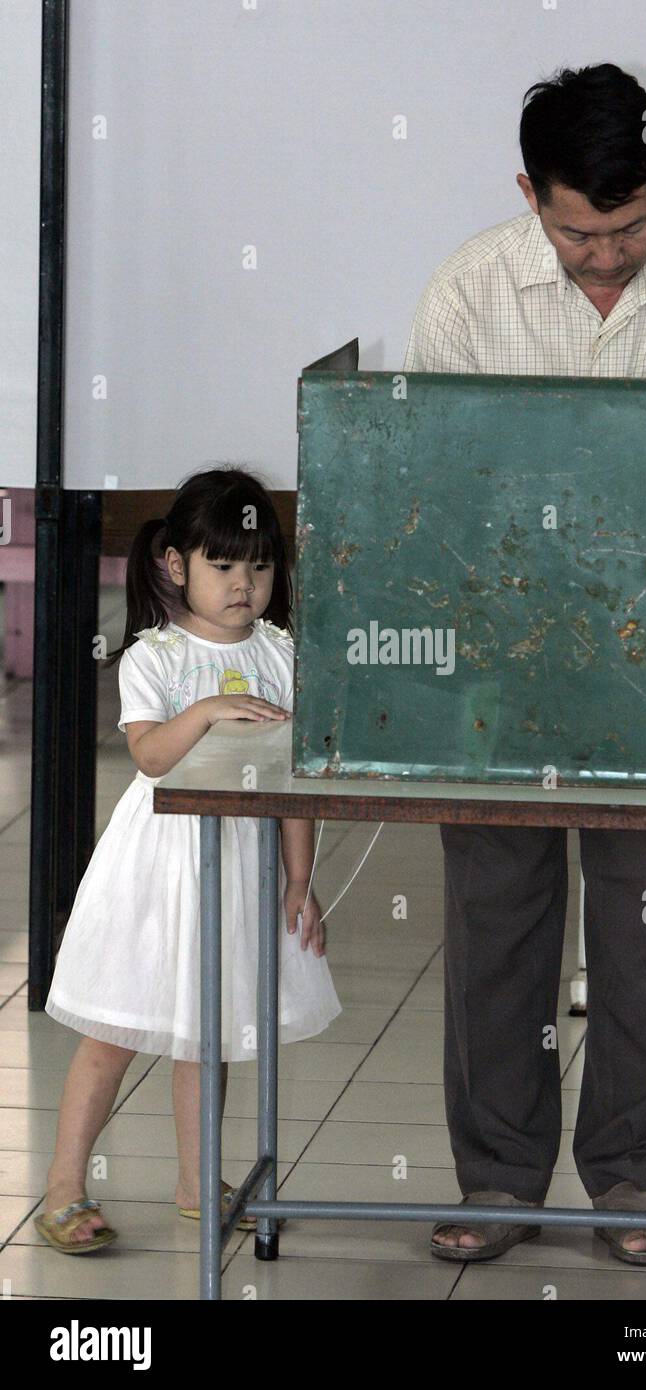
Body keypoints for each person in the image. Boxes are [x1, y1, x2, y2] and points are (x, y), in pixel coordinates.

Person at [403, 63, 646, 1265]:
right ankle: (499, 1180)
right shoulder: (470, 291)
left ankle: (629, 1179)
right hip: (495, 669)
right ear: (529, 193)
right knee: (496, 927)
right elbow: (434, 498)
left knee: (643, 931)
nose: (605, 258)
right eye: (576, 231)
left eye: (627, 229)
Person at [37, 466, 341, 1253]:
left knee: (208, 1031)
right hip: (160, 869)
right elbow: (150, 756)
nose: (244, 583)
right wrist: (205, 710)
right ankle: (64, 1186)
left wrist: (301, 880)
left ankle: (198, 1181)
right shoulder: (157, 658)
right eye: (223, 564)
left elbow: (292, 788)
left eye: (260, 565)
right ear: (176, 566)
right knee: (115, 1030)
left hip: (239, 869)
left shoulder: (282, 655)